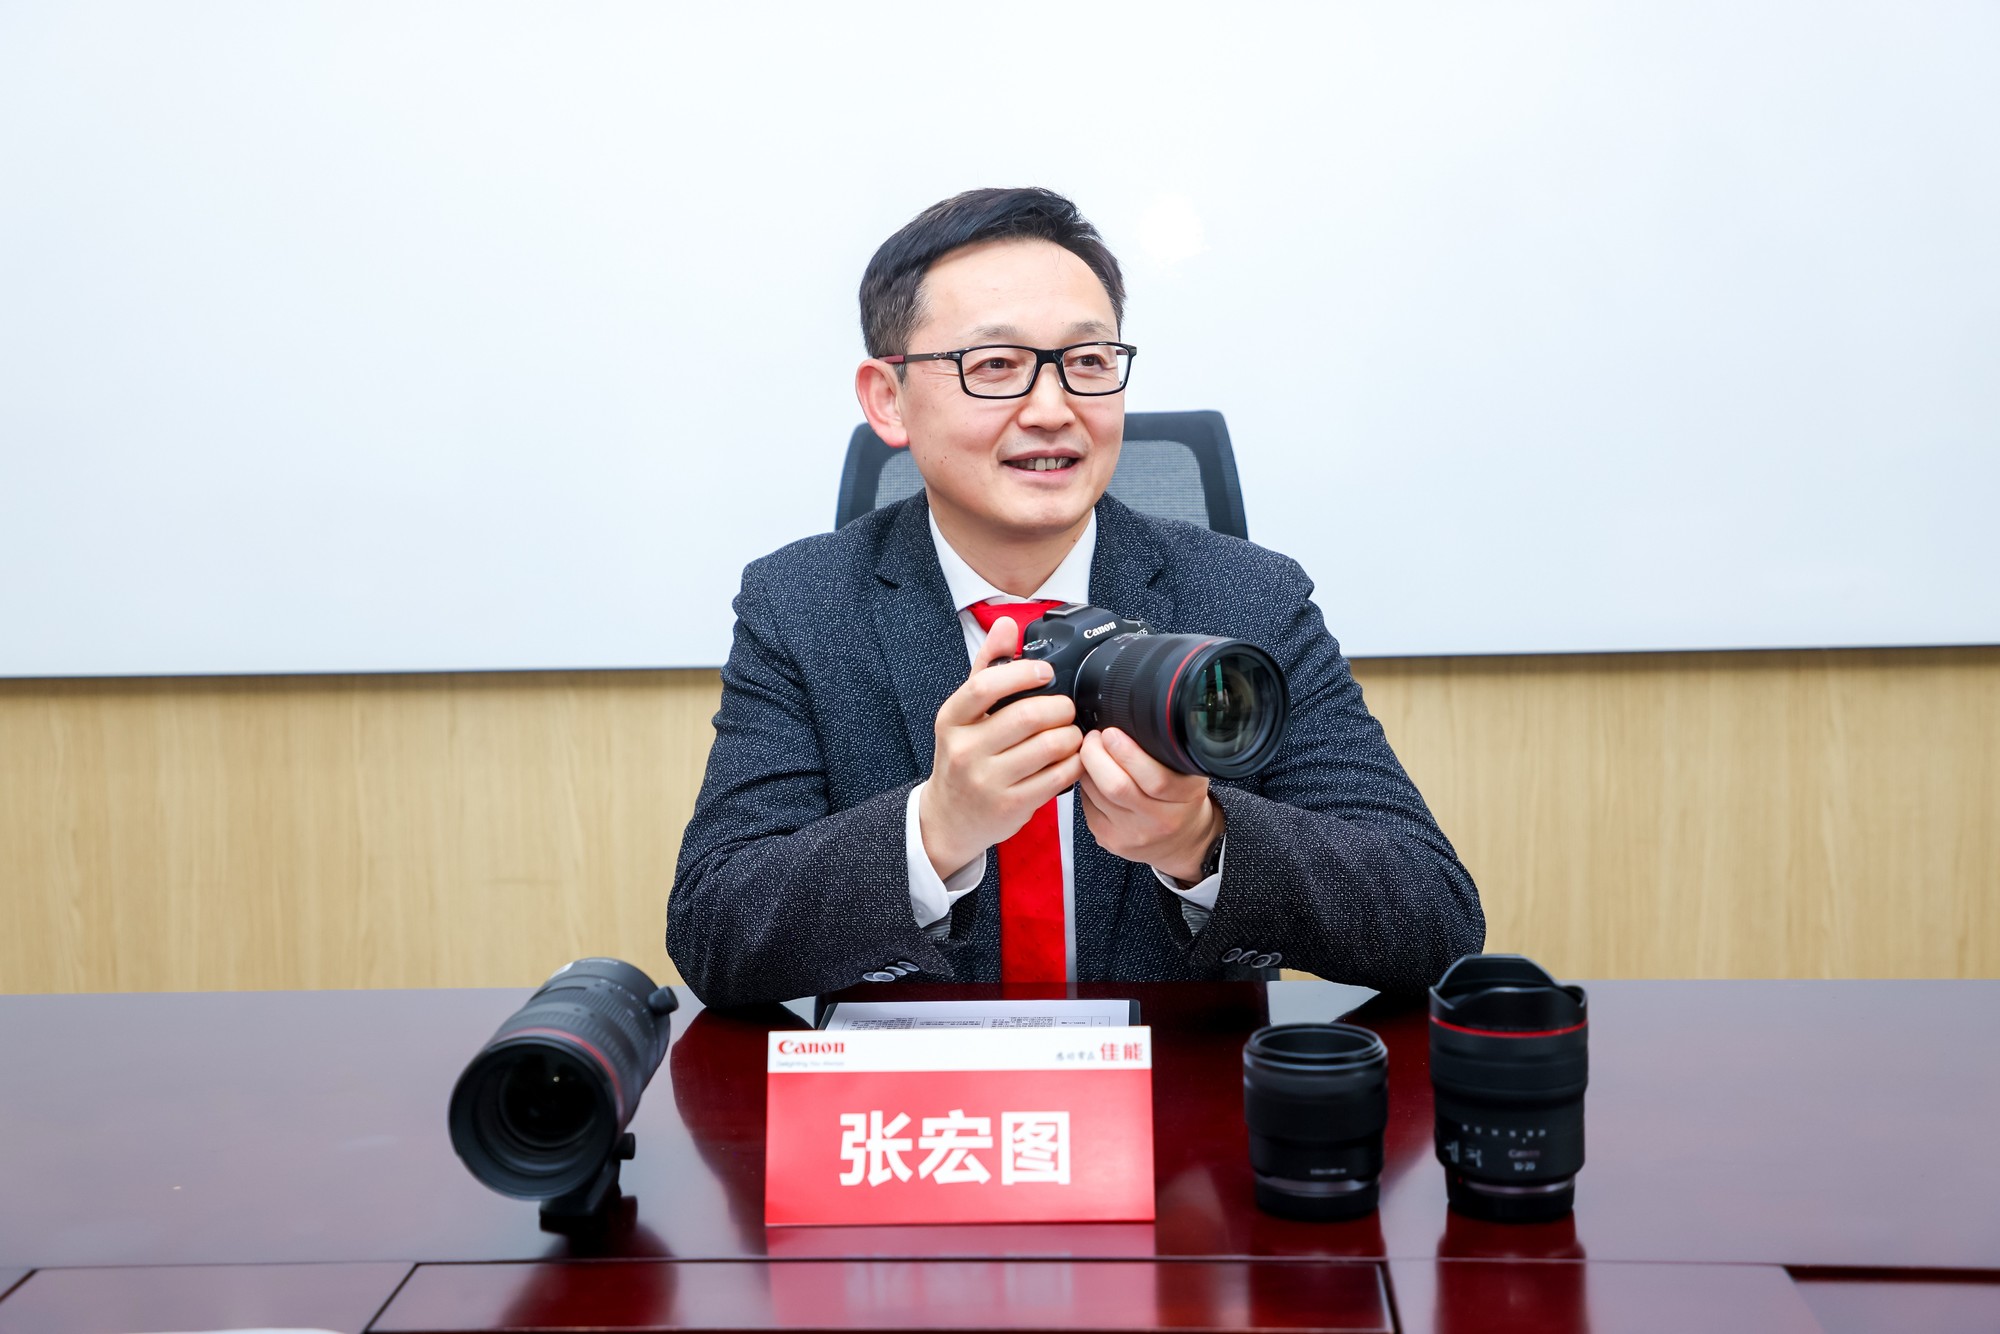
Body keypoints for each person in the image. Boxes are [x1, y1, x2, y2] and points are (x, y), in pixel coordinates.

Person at [667, 187, 1482, 1008]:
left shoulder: (1249, 595)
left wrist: (1201, 840)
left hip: (1174, 1082)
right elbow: (714, 932)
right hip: (923, 1087)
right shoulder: (802, 606)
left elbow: (1435, 915)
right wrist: (935, 831)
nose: (1054, 410)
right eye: (995, 366)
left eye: (1088, 362)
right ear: (889, 398)